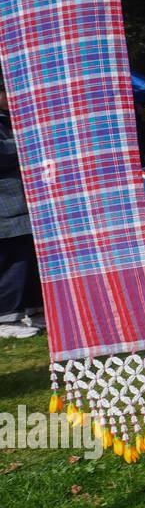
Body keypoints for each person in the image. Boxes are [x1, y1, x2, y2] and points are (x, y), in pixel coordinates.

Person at [0, 74, 44, 339]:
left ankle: (34, 309)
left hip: (20, 203)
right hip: (4, 206)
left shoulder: (8, 120)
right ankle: (6, 318)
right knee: (11, 263)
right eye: (6, 92)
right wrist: (26, 146)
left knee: (28, 259)